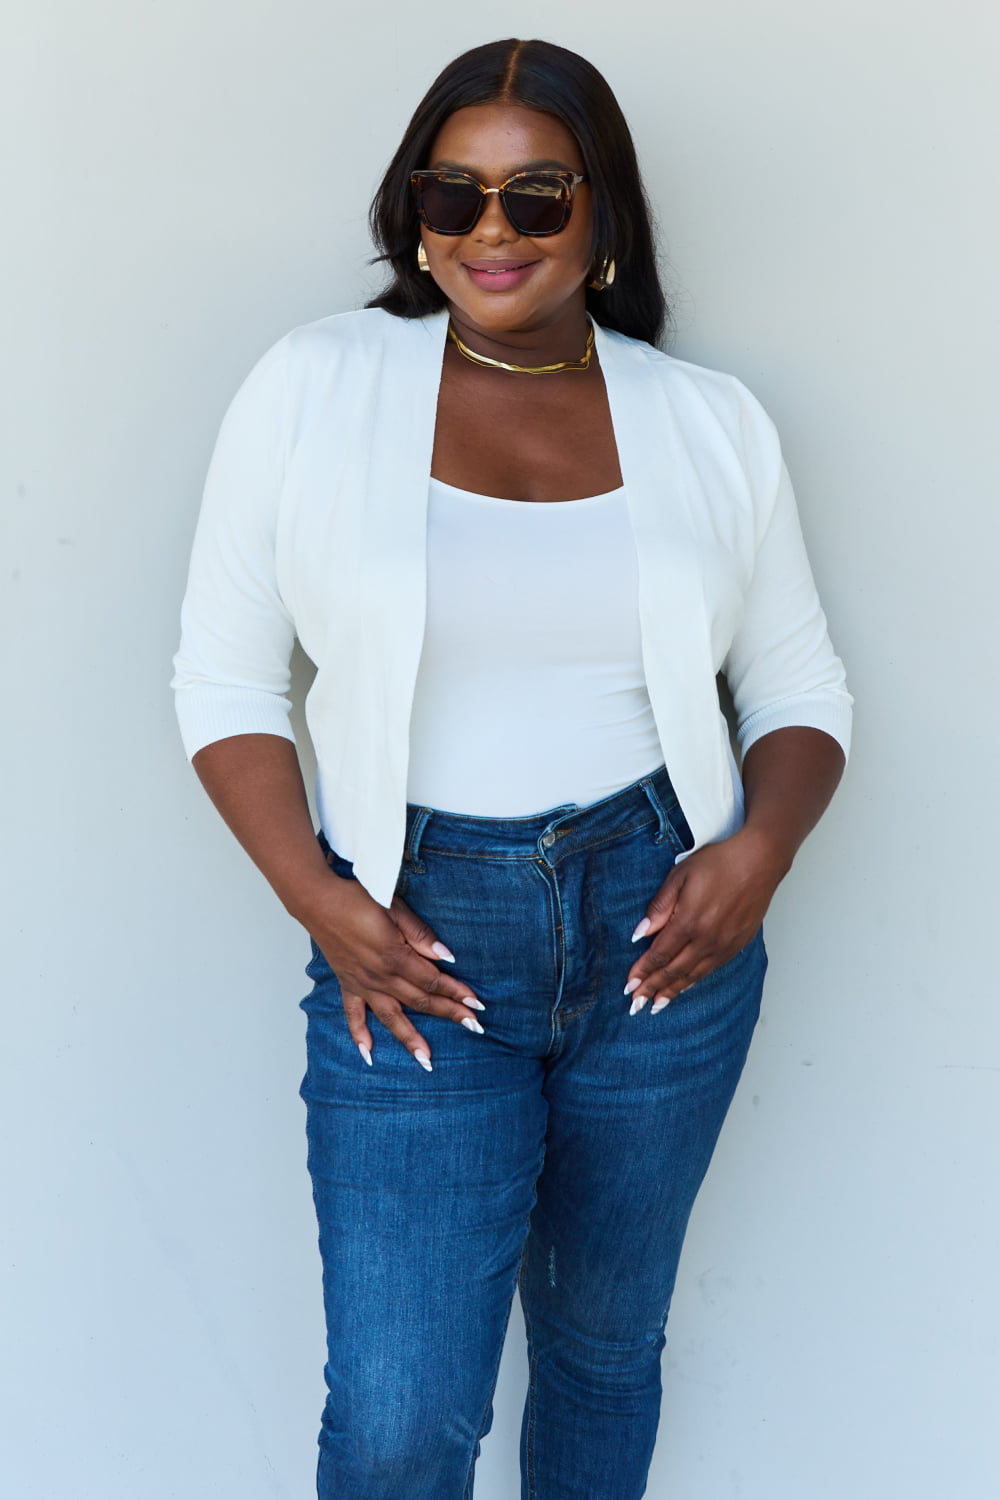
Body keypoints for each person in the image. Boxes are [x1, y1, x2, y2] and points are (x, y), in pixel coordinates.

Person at [172, 36, 852, 1500]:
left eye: (536, 199)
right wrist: (320, 897)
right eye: (453, 195)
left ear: (603, 213)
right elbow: (224, 680)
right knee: (406, 1415)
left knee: (606, 1352)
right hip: (411, 939)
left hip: (660, 932)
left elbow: (798, 688)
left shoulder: (708, 421)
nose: (491, 233)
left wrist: (759, 853)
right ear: (412, 210)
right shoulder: (317, 383)